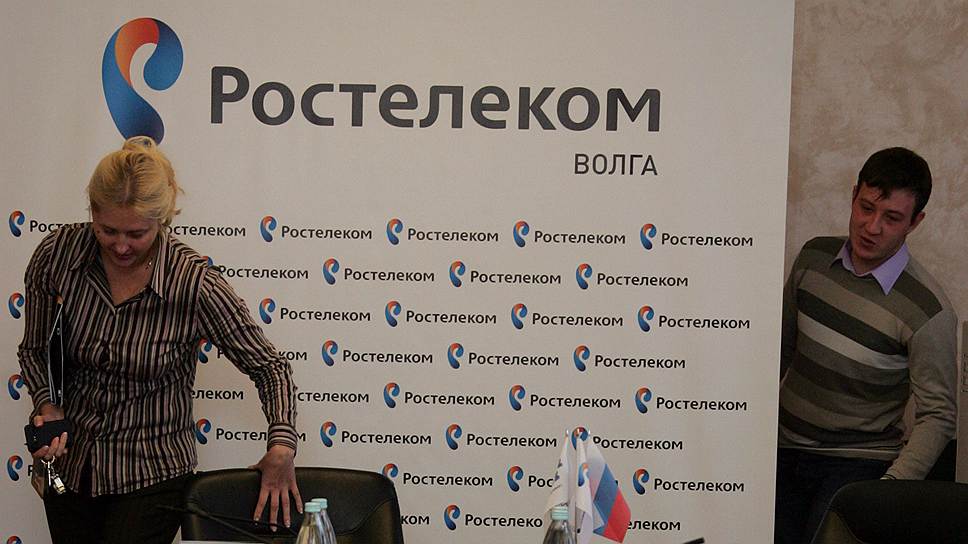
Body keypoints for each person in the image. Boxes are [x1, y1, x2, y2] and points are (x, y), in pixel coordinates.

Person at [17, 136, 302, 543]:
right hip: (70, 466)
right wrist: (47, 404)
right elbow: (35, 349)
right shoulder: (57, 255)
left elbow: (269, 367)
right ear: (92, 211)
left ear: (163, 219)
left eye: (137, 233)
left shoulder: (193, 283)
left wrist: (282, 446)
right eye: (107, 230)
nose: (120, 245)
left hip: (152, 471)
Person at [774, 147, 957, 544]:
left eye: (891, 218)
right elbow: (777, 353)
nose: (872, 227)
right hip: (782, 446)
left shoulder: (929, 311)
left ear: (915, 222)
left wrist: (890, 490)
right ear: (854, 194)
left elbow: (939, 415)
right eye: (866, 207)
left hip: (858, 464)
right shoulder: (812, 258)